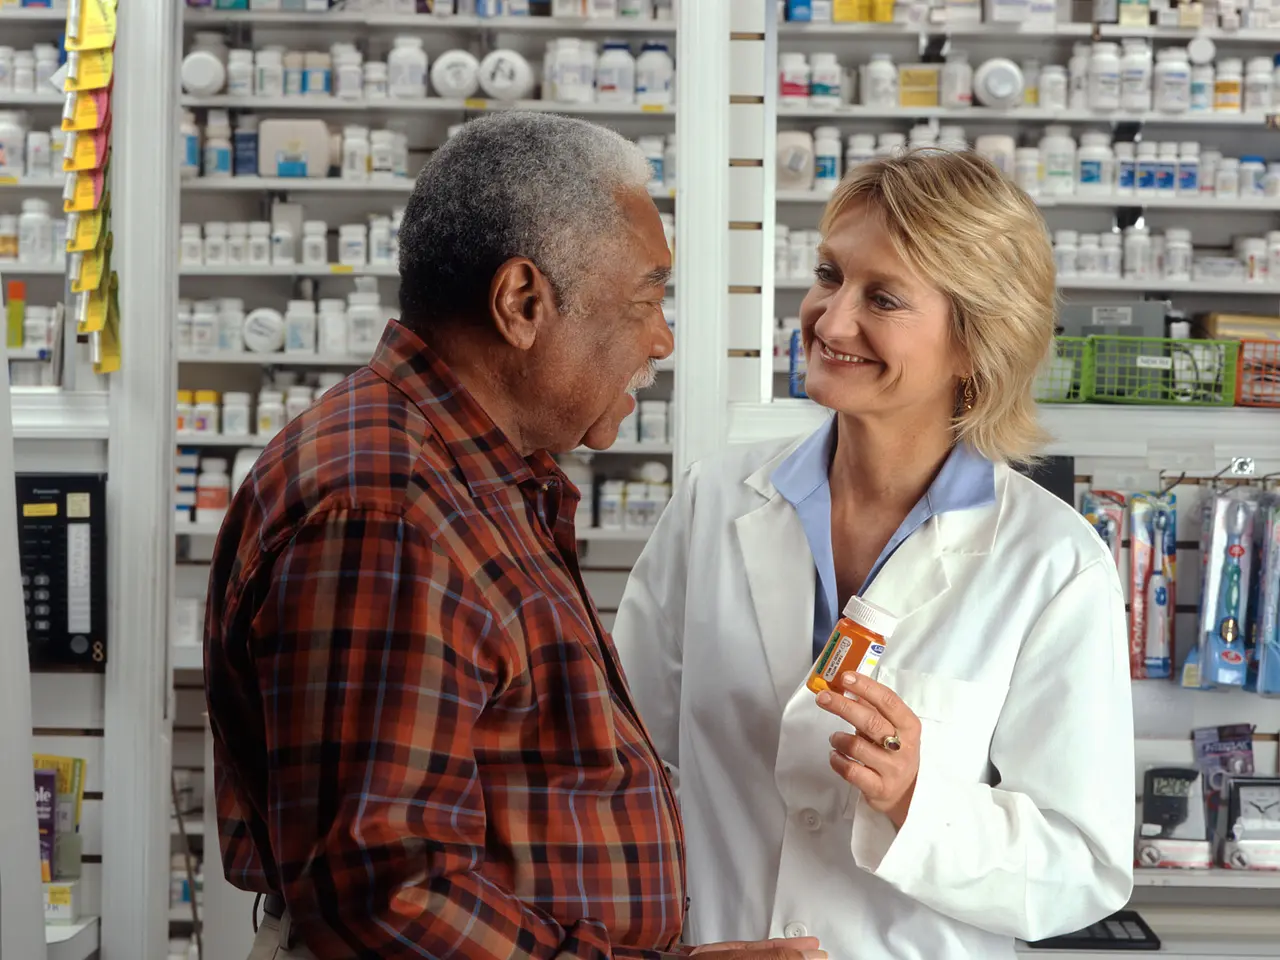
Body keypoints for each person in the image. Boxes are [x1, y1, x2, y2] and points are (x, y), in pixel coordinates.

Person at [204, 113, 821, 960]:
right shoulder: (390, 508)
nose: (662, 338)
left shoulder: (473, 474)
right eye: (647, 297)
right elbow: (387, 897)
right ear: (523, 302)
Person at [611, 149, 1136, 960]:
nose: (829, 320)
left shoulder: (1053, 565)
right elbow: (624, 762)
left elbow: (1084, 868)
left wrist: (919, 799)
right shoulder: (715, 501)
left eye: (882, 298)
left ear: (975, 343)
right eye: (829, 276)